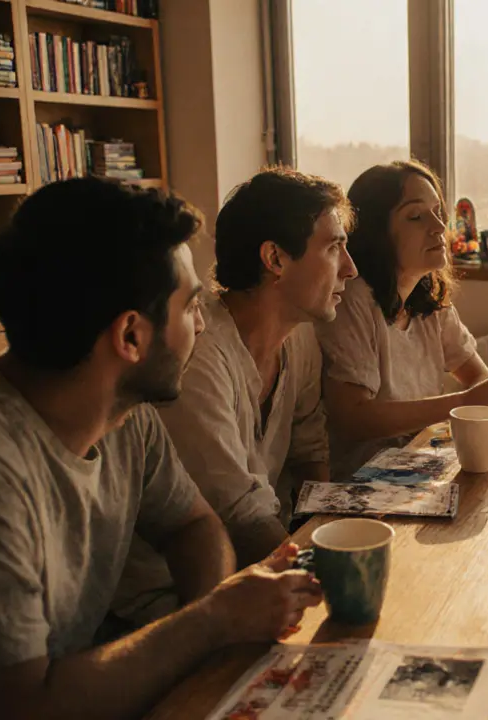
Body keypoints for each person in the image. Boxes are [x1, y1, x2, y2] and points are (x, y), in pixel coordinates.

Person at [0, 177, 322, 719]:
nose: (203, 325)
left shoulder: (125, 414)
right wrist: (211, 623)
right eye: (191, 308)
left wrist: (213, 617)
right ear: (131, 337)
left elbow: (193, 525)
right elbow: (20, 705)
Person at [112, 169, 357, 627]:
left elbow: (309, 451)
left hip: (254, 575)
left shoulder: (300, 337)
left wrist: (330, 543)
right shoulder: (197, 355)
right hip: (164, 603)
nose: (350, 268)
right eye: (333, 247)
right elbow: (240, 518)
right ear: (275, 259)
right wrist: (332, 581)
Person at [317, 160, 488, 480]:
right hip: (361, 485)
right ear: (377, 233)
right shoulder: (352, 300)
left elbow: (478, 382)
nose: (439, 227)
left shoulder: (429, 300)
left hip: (419, 470)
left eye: (438, 212)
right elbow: (353, 417)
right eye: (416, 216)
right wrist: (465, 401)